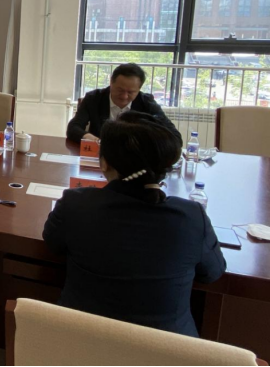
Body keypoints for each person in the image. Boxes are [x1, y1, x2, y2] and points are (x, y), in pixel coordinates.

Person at [44, 111, 226, 337]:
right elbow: (212, 273)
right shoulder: (191, 217)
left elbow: (53, 244)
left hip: (77, 342)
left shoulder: (76, 204)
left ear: (104, 163)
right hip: (166, 349)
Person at [67, 63, 182, 144]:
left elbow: (175, 137)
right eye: (120, 90)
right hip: (100, 157)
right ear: (111, 82)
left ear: (139, 89)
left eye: (131, 92)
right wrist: (92, 139)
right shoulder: (94, 99)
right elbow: (73, 128)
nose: (124, 96)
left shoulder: (147, 103)